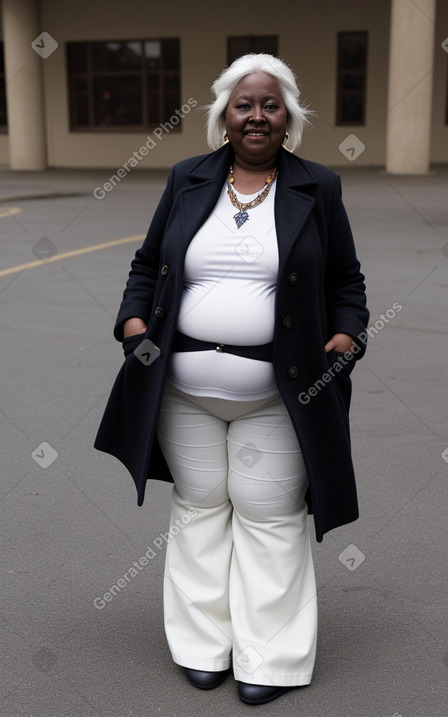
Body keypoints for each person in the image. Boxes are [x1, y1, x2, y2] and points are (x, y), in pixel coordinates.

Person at [95, 53, 369, 706]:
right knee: (198, 509)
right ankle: (200, 646)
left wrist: (347, 335)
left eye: (269, 104)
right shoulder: (187, 178)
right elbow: (146, 263)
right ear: (223, 114)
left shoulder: (318, 187)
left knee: (269, 514)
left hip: (279, 394)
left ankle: (269, 658)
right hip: (181, 390)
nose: (256, 116)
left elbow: (346, 282)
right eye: (243, 104)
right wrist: (134, 325)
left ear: (288, 116)